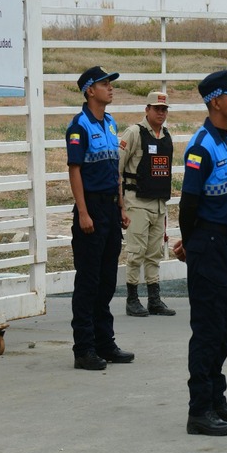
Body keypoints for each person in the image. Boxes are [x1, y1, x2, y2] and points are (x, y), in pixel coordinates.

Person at [172, 69, 227, 436]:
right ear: (215, 100)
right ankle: (199, 409)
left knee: (223, 327)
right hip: (207, 243)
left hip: (225, 243)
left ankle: (216, 399)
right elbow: (188, 205)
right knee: (206, 329)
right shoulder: (201, 146)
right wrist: (191, 244)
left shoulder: (225, 140)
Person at [65, 66, 133, 371]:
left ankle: (105, 342)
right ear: (90, 90)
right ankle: (85, 348)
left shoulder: (110, 124)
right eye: (105, 84)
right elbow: (75, 170)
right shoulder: (79, 126)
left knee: (107, 280)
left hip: (109, 208)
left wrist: (121, 206)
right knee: (89, 281)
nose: (110, 88)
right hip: (91, 207)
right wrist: (83, 211)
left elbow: (113, 170)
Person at [118, 90, 176, 318]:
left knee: (154, 253)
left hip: (158, 204)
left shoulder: (166, 136)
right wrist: (121, 206)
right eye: (156, 108)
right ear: (147, 110)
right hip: (137, 203)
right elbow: (118, 168)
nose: (161, 113)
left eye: (164, 109)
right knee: (135, 252)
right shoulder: (134, 133)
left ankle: (154, 299)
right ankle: (132, 298)